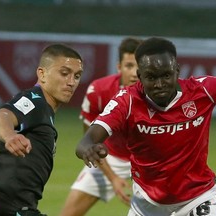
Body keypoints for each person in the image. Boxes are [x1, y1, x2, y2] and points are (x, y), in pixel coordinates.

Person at [75, 37, 216, 216]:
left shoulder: (203, 90)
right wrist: (88, 148)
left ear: (177, 70)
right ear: (140, 76)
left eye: (166, 75)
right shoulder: (127, 101)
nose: (160, 84)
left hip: (199, 196)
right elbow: (87, 140)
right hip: (147, 204)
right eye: (151, 77)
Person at [0, 44, 83, 216]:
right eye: (64, 73)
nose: (71, 82)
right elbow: (0, 116)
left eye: (77, 76)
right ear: (42, 74)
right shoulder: (35, 101)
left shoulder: (43, 111)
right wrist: (10, 136)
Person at [60, 37, 143, 216]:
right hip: (111, 155)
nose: (135, 73)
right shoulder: (98, 91)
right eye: (129, 66)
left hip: (149, 160)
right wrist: (113, 178)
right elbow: (90, 144)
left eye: (139, 66)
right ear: (119, 67)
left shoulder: (159, 95)